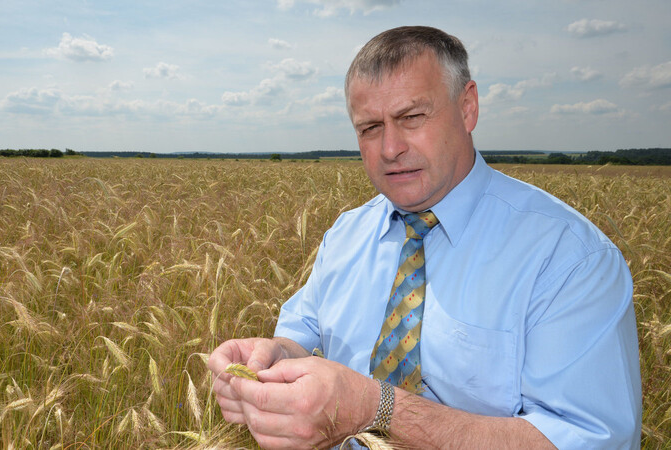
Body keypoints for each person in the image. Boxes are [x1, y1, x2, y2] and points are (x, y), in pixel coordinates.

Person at [208, 26, 641, 449]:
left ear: (467, 107)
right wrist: (269, 360)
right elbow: (299, 337)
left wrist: (374, 409)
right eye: (369, 128)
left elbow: (591, 440)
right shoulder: (346, 233)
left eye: (412, 117)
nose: (390, 147)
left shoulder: (570, 258)